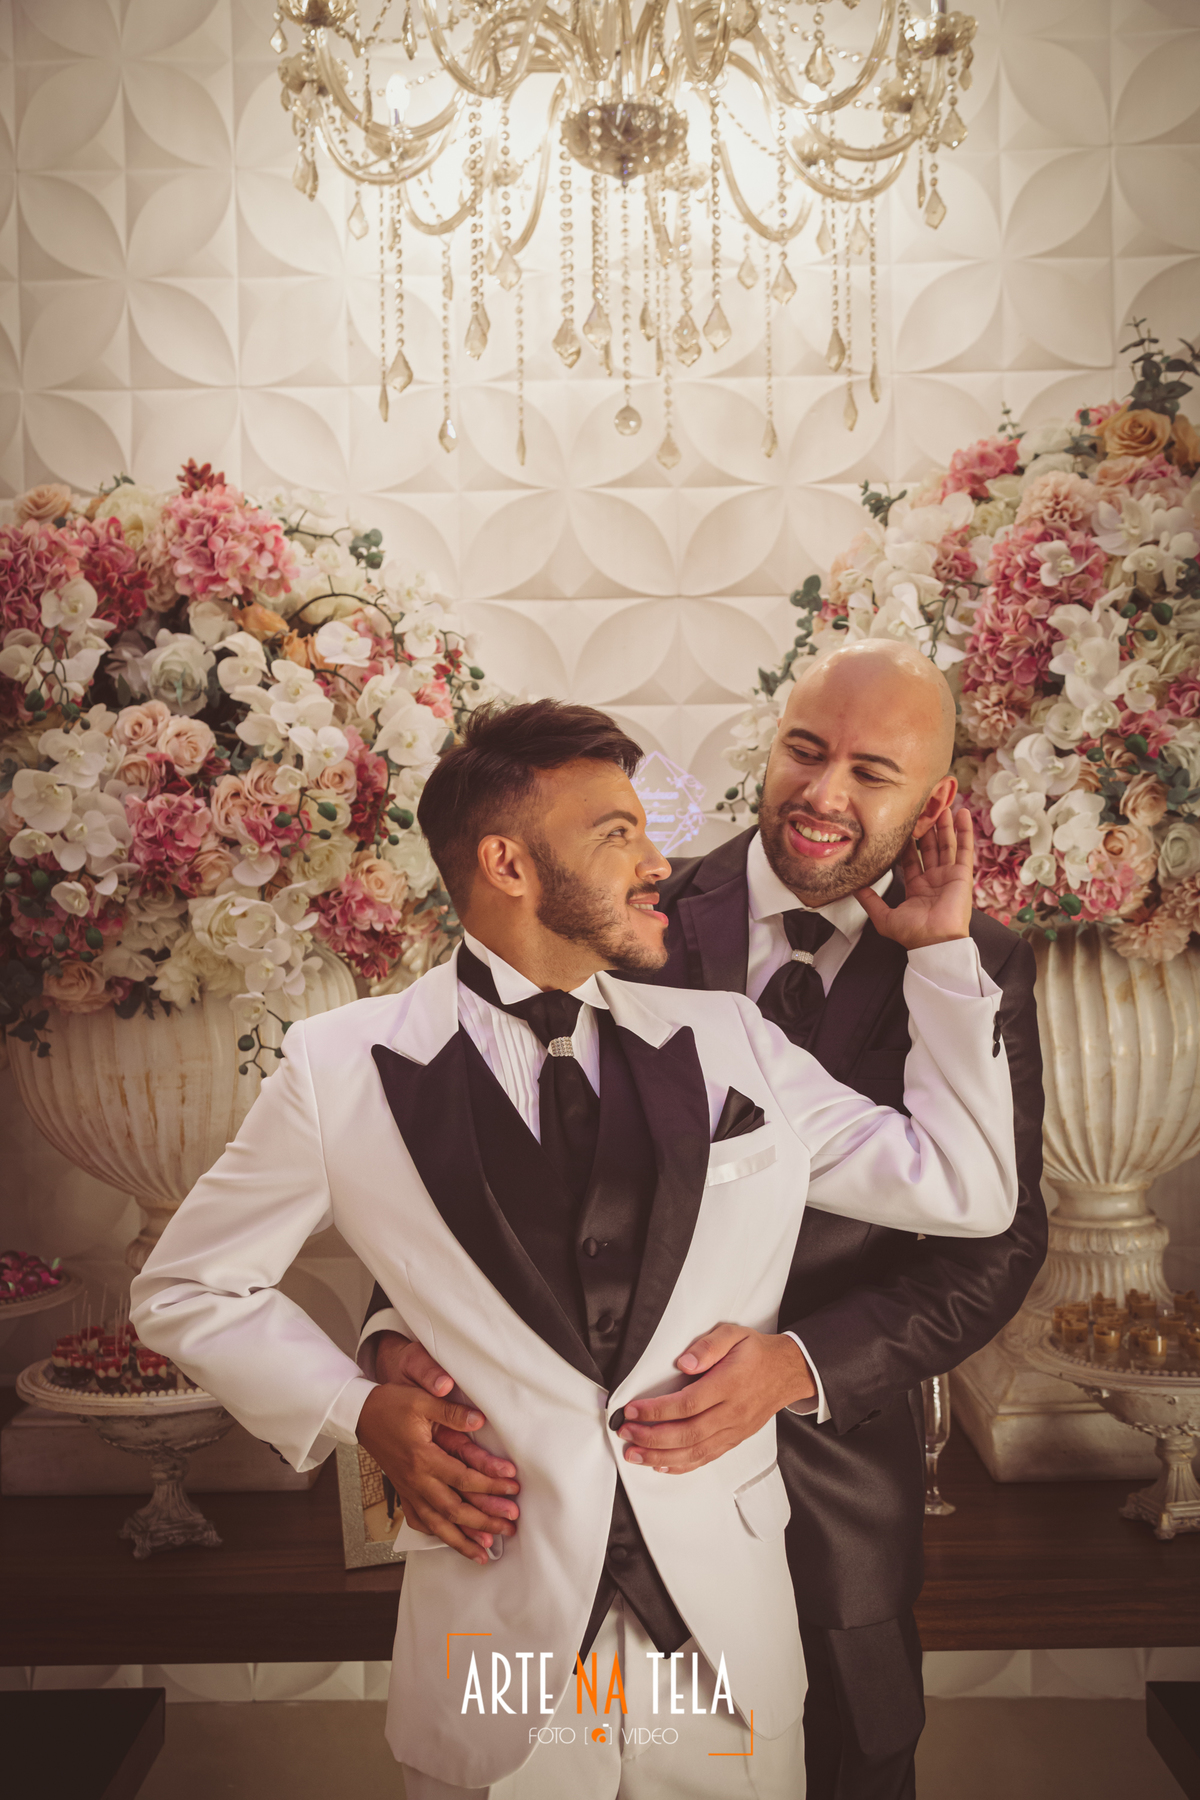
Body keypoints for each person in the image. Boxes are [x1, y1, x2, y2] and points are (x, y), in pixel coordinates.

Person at [131, 698, 1020, 1800]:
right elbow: (189, 1287)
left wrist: (943, 956)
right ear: (506, 864)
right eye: (617, 834)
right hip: (497, 1647)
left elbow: (968, 1189)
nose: (658, 863)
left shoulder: (730, 1039)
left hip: (723, 1653)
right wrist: (356, 1410)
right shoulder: (338, 1067)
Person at [362, 647, 1047, 1800]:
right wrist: (392, 1340)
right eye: (804, 752)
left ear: (937, 801)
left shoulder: (976, 963)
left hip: (836, 1492)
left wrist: (798, 1366)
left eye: (872, 773)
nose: (824, 794)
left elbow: (999, 1238)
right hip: (581, 1492)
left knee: (854, 1766)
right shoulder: (608, 904)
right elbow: (457, 1151)